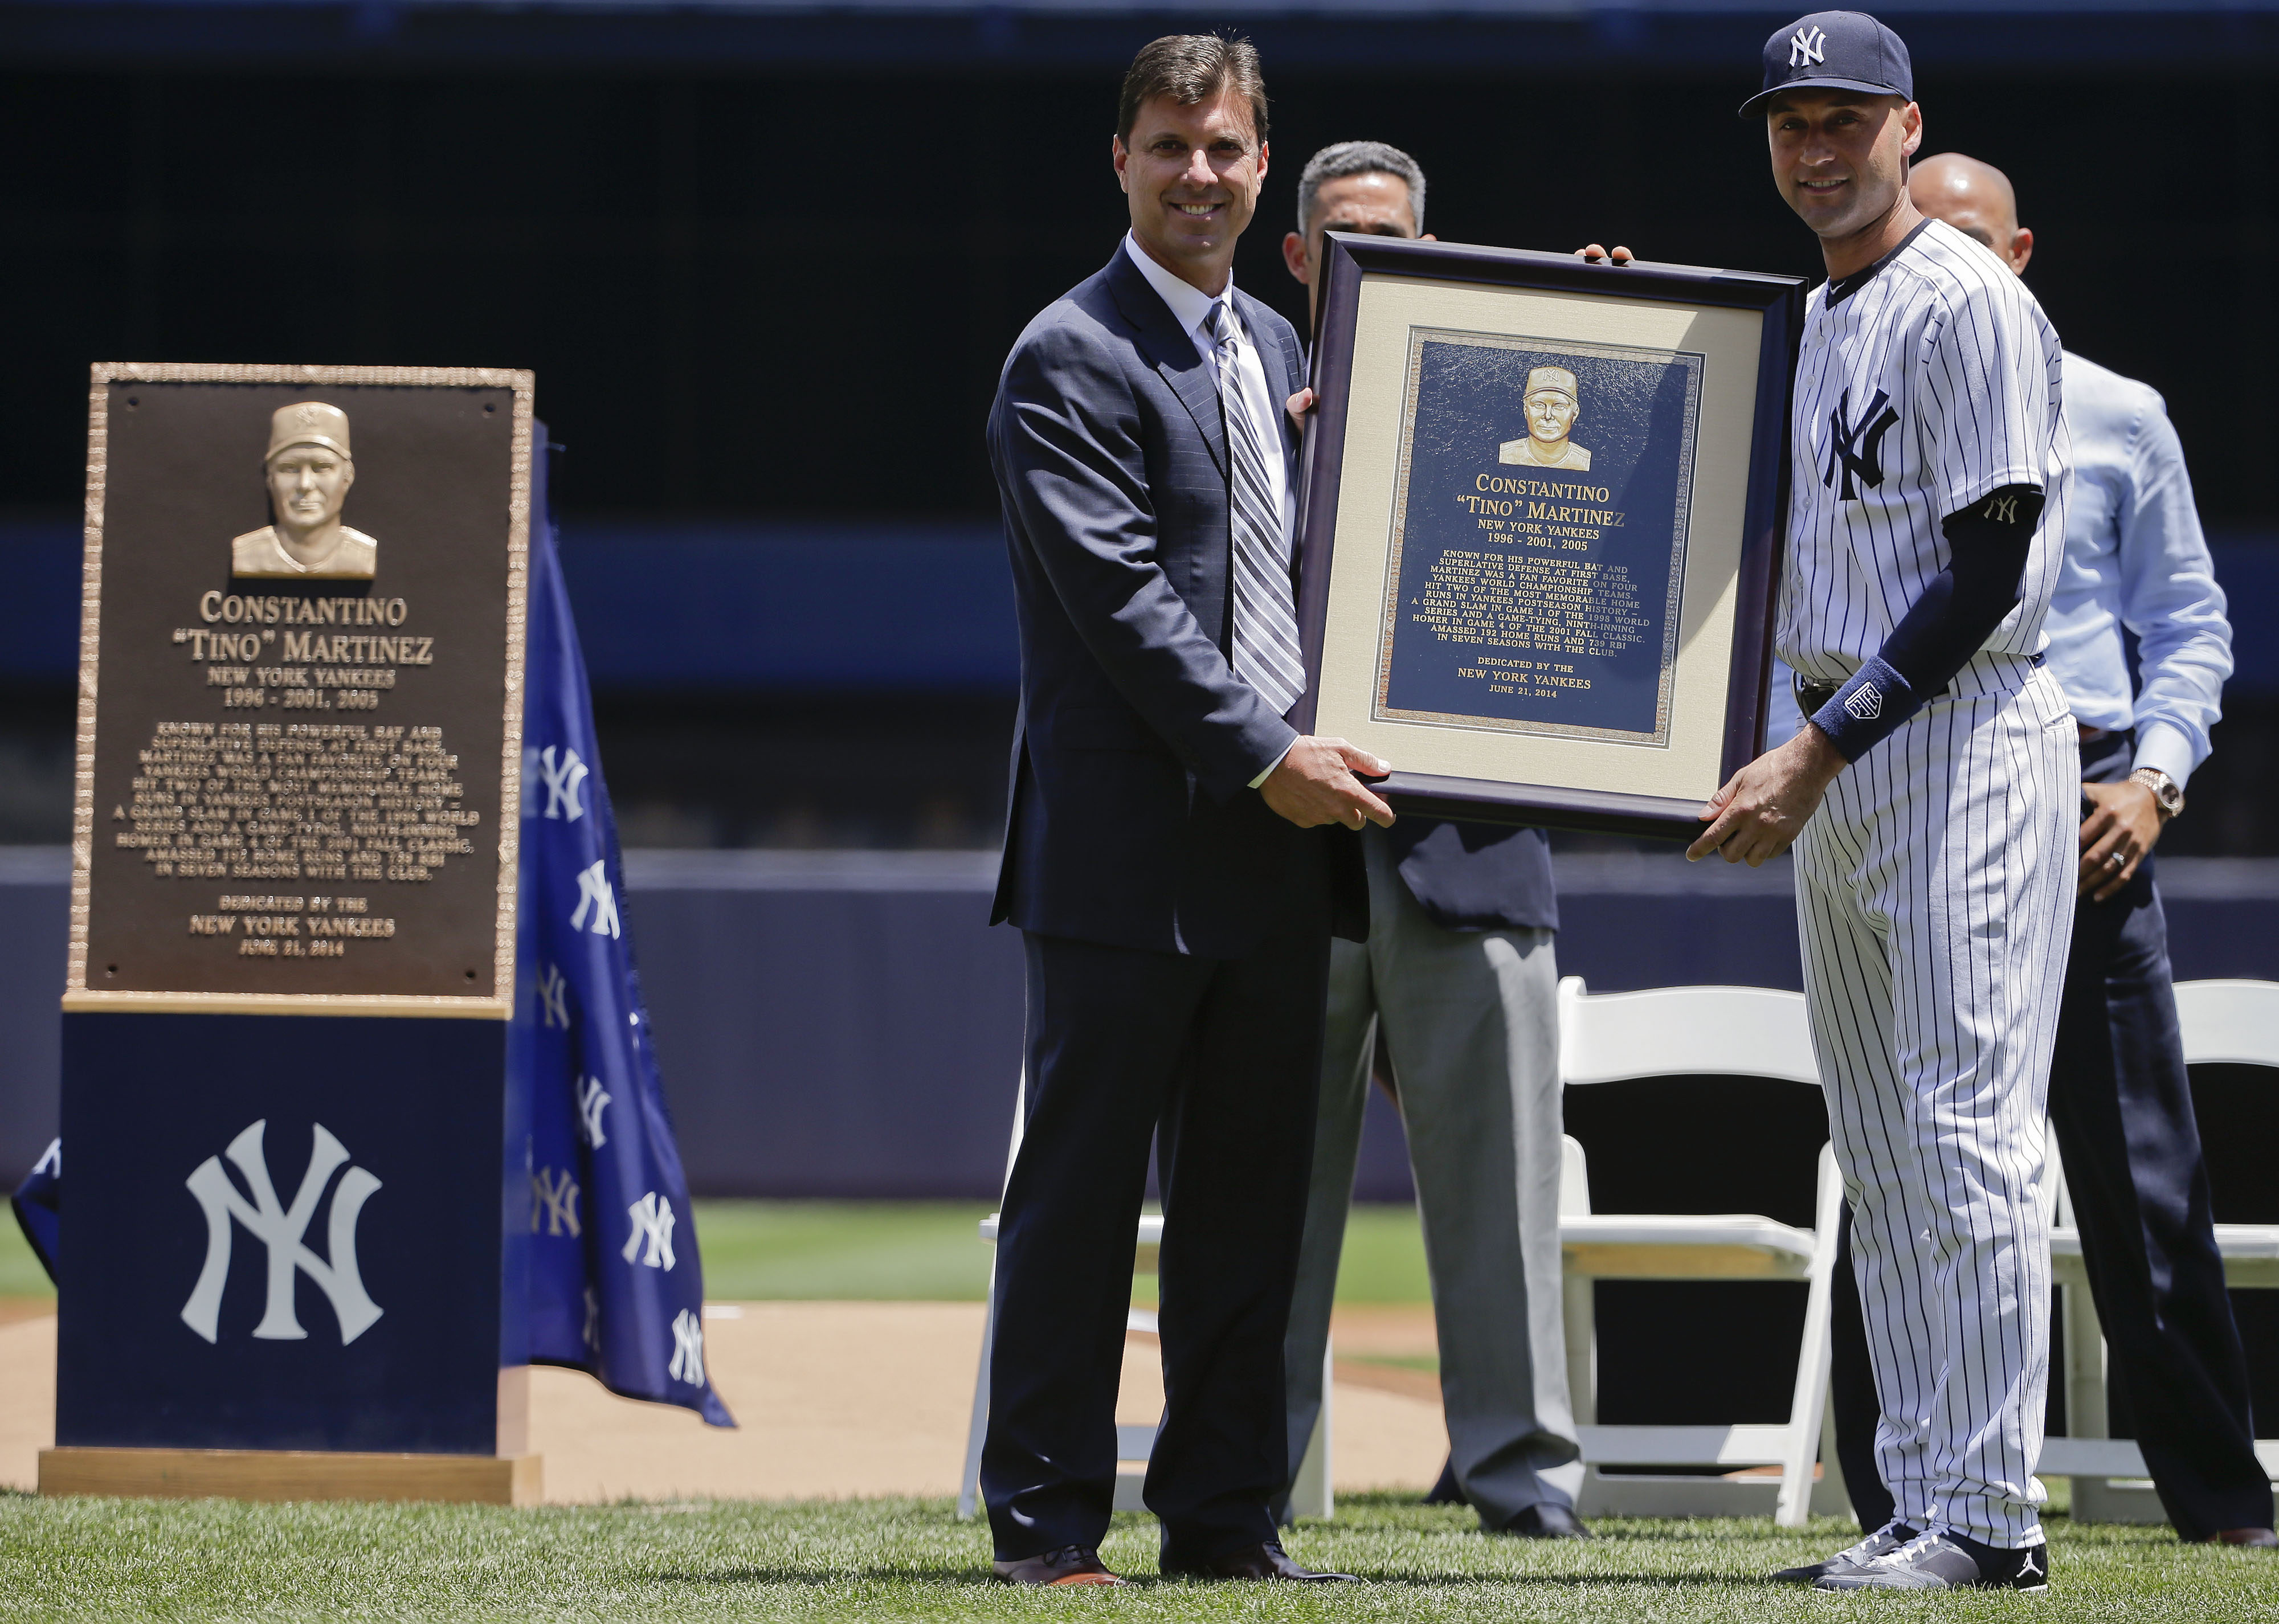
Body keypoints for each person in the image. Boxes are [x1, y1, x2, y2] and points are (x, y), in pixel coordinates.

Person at [1810, 150, 2268, 1551]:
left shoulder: (2119, 415)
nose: (1930, 264)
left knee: (2134, 1173)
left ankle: (2215, 1502)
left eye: (1964, 241)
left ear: (2016, 256)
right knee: (1897, 1148)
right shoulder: (1844, 367)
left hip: (2084, 801)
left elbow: (2189, 623)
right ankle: (1902, 1497)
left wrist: (2156, 783)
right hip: (1894, 769)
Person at [979, 35, 1390, 1588]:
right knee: (1079, 1206)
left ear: (1260, 164)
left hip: (1277, 861)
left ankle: (1224, 1522)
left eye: (1224, 149)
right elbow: (1126, 609)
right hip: (1123, 858)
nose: (1198, 175)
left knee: (1247, 1219)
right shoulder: (1066, 354)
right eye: (1169, 147)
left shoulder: (1282, 344)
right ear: (1122, 162)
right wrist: (1270, 752)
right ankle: (1046, 1528)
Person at [1678, 12, 2074, 1591]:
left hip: (1954, 734)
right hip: (1841, 743)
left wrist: (1823, 742)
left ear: (1909, 126)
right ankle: (1922, 1501)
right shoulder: (1819, 314)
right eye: (1792, 122)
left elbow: (1989, 568)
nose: (1817, 145)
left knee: (1968, 1131)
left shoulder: (1964, 300)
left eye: (1846, 117)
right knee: (1886, 1144)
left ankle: (1989, 1515)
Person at [1275, 138, 1584, 1541]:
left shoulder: (1503, 386)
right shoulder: (1239, 393)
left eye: (1389, 233)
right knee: (1260, 1200)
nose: (1362, 252)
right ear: (1300, 256)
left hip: (1467, 846)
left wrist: (1609, 348)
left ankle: (1524, 1485)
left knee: (1502, 1197)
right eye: (1339, 235)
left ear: (1431, 247)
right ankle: (1246, 1482)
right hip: (1275, 858)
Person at [232, 402, 378, 578]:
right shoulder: (248, 554)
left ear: (348, 476)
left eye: (322, 467)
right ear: (270, 478)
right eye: (290, 468)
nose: (305, 484)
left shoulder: (361, 554)